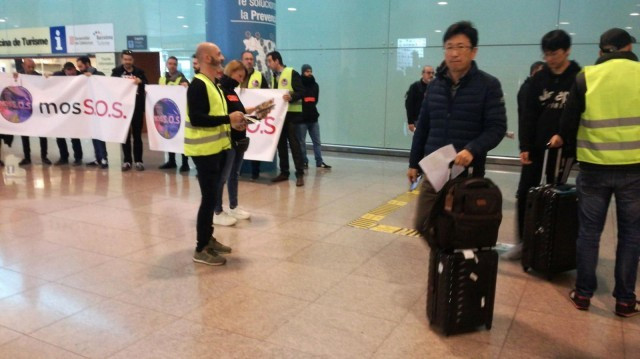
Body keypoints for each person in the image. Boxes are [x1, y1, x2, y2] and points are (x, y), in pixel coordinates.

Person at [548, 28, 640, 317]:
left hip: (593, 168)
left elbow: (567, 123)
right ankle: (625, 300)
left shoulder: (585, 77)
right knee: (631, 235)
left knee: (589, 233)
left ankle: (584, 295)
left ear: (602, 51)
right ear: (627, 48)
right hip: (634, 170)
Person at [407, 21, 507, 234]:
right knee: (423, 223)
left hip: (467, 171)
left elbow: (497, 127)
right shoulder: (434, 86)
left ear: (474, 52)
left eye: (461, 47)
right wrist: (413, 162)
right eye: (450, 47)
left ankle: (452, 265)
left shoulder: (488, 85)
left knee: (461, 227)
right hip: (435, 168)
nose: (454, 53)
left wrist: (472, 149)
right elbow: (423, 126)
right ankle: (446, 260)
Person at [505, 30, 581, 260]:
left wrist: (564, 136)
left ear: (567, 50)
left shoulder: (578, 77)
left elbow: (580, 114)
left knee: (555, 195)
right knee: (525, 192)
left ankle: (551, 246)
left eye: (554, 53)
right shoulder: (538, 79)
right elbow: (527, 114)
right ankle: (524, 242)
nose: (550, 58)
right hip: (537, 148)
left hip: (563, 151)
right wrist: (524, 146)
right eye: (546, 54)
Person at [186, 42, 246, 266]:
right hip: (204, 151)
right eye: (217, 54)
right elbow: (198, 118)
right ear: (207, 58)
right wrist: (227, 120)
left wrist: (235, 123)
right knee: (208, 199)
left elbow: (220, 115)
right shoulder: (198, 85)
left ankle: (207, 239)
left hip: (217, 148)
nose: (222, 56)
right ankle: (200, 248)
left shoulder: (214, 84)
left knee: (211, 198)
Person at [214, 60, 257, 226]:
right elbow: (226, 114)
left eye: (243, 77)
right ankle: (217, 210)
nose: (240, 79)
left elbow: (236, 111)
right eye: (239, 75)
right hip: (228, 138)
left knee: (234, 174)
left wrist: (251, 112)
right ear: (231, 72)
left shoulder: (232, 91)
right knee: (222, 176)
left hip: (240, 137)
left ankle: (233, 206)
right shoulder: (221, 90)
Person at [266, 51, 306, 186]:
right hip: (279, 117)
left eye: (270, 61)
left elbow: (302, 91)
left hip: (292, 116)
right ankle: (284, 172)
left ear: (277, 61)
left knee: (295, 146)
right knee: (281, 145)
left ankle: (300, 174)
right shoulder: (273, 77)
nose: (268, 64)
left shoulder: (291, 73)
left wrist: (292, 96)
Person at [111, 50, 148, 171]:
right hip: (123, 109)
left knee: (137, 135)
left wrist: (141, 82)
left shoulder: (140, 72)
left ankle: (138, 161)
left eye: (130, 59)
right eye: (125, 59)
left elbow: (147, 86)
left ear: (133, 60)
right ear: (122, 59)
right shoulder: (116, 72)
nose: (127, 62)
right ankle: (127, 161)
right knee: (125, 135)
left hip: (137, 109)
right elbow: (109, 86)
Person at [158, 56, 191, 172]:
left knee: (181, 137)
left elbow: (188, 89)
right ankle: (171, 161)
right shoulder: (162, 79)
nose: (172, 66)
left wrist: (186, 86)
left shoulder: (182, 78)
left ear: (177, 66)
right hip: (166, 112)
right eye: (170, 63)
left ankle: (185, 163)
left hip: (178, 113)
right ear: (167, 65)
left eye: (174, 64)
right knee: (168, 135)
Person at [296, 64, 331, 169]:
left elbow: (315, 100)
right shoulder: (299, 84)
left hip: (313, 118)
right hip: (302, 119)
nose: (309, 73)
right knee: (301, 142)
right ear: (302, 72)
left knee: (317, 141)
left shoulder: (315, 85)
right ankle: (304, 161)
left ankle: (319, 162)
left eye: (310, 71)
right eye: (307, 71)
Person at [241, 50, 269, 180]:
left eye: (251, 59)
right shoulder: (236, 75)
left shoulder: (259, 76)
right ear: (242, 60)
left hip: (254, 115)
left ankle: (255, 172)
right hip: (239, 113)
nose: (249, 61)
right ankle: (237, 170)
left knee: (254, 141)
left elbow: (267, 94)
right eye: (246, 58)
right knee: (239, 141)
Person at [77, 56, 109, 169]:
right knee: (93, 134)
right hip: (88, 109)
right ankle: (98, 158)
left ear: (87, 64)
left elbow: (105, 86)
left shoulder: (99, 74)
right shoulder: (80, 76)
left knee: (99, 135)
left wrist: (92, 78)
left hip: (99, 109)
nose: (79, 69)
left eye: (81, 66)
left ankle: (104, 158)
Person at [18, 58, 50, 166]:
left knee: (42, 133)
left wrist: (48, 79)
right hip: (24, 110)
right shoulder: (18, 76)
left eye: (32, 67)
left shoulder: (39, 77)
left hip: (37, 110)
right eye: (29, 66)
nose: (31, 69)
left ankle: (44, 156)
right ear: (23, 65)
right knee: (25, 135)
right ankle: (27, 157)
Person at [52, 62, 83, 166]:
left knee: (74, 135)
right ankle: (63, 157)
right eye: (68, 70)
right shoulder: (58, 76)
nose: (70, 72)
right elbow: (46, 80)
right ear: (64, 71)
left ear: (75, 69)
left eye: (72, 69)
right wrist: (47, 76)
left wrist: (89, 76)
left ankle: (78, 157)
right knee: (60, 135)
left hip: (74, 111)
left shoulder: (81, 77)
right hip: (60, 111)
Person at [405, 65, 434, 133]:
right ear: (422, 74)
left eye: (433, 73)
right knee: (419, 141)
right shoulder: (415, 87)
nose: (431, 75)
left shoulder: (436, 87)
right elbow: (409, 104)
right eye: (429, 73)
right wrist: (410, 121)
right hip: (418, 120)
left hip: (433, 120)